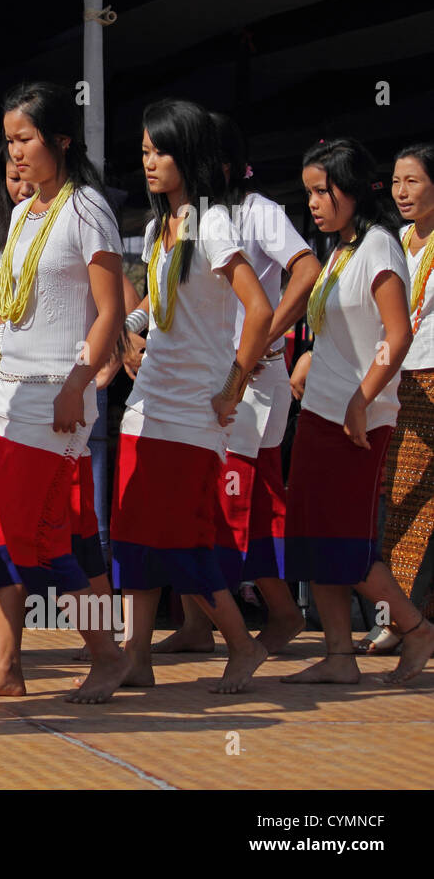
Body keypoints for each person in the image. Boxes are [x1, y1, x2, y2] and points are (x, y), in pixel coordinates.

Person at [0, 82, 129, 703]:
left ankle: (106, 655)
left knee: (44, 538)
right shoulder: (22, 213)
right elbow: (15, 310)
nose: (13, 153)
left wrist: (79, 382)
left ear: (60, 140)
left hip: (55, 400)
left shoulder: (88, 210)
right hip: (9, 398)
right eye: (10, 141)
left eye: (25, 140)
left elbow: (109, 311)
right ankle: (4, 666)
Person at [110, 99, 274, 694]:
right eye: (146, 150)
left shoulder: (214, 223)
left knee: (181, 539)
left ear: (192, 155)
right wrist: (132, 325)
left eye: (162, 150)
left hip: (193, 409)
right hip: (147, 402)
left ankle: (242, 645)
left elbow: (259, 308)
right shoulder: (161, 227)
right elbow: (160, 301)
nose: (150, 161)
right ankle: (138, 658)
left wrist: (232, 386)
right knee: (133, 537)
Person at [153, 113, 321, 656]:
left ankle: (273, 613)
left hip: (248, 380)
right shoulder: (191, 217)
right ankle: (207, 622)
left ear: (218, 162)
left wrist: (268, 335)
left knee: (234, 499)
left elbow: (307, 268)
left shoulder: (257, 211)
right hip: (208, 375)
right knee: (214, 498)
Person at [283, 138, 434, 684]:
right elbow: (345, 329)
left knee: (346, 541)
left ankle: (414, 627)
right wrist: (308, 362)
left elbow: (399, 334)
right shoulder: (341, 250)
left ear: (350, 189)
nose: (316, 203)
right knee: (316, 537)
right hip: (321, 411)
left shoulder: (378, 246)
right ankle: (339, 655)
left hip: (357, 420)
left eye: (324, 191)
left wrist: (361, 398)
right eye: (310, 193)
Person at [364, 143, 434, 653]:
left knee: (415, 497)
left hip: (429, 376)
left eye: (412, 180)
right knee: (391, 494)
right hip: (393, 377)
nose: (401, 192)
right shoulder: (398, 242)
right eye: (395, 181)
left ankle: (398, 619)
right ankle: (405, 615)